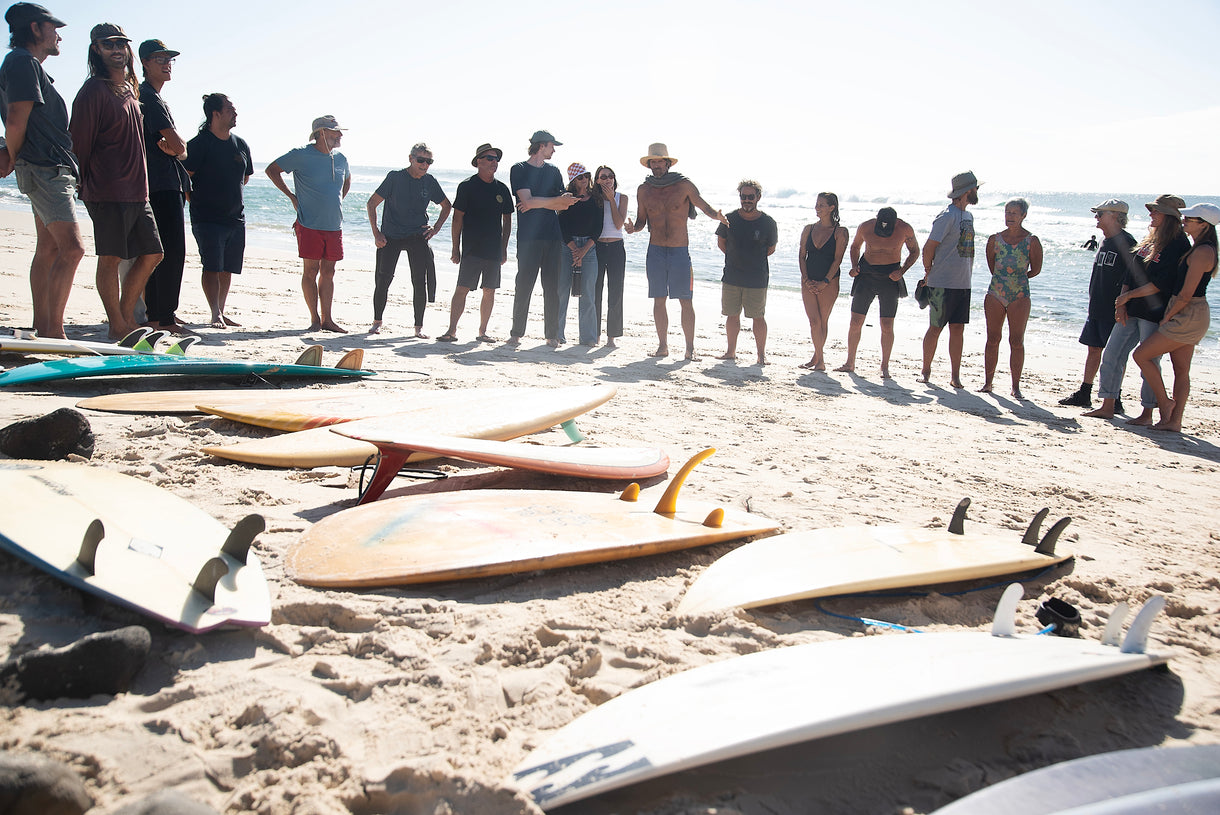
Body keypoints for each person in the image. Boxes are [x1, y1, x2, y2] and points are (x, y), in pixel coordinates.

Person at [69, 23, 163, 340]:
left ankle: (125, 319)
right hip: (107, 190)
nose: (117, 49)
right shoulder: (93, 91)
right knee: (110, 259)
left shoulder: (129, 91)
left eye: (122, 44)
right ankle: (117, 325)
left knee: (153, 253)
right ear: (96, 49)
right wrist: (80, 187)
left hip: (138, 191)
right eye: (109, 44)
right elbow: (78, 144)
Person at [0, 2, 83, 339]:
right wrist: (11, 155)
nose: (58, 34)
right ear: (35, 28)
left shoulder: (25, 64)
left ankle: (43, 326)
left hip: (43, 166)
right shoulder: (21, 61)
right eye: (53, 27)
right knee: (73, 248)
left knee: (49, 249)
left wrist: (13, 155)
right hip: (45, 168)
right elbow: (17, 117)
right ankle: (54, 332)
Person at [1084, 194, 1190, 423]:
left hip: (1154, 313)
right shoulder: (1151, 238)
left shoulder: (1178, 243)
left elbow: (1162, 283)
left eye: (1156, 211)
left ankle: (1148, 412)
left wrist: (1128, 296)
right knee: (1112, 353)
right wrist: (1123, 300)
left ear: (1169, 216)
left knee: (1149, 362)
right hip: (1132, 309)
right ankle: (1107, 404)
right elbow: (1131, 271)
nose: (1151, 214)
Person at [627, 142, 728, 360]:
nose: (656, 165)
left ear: (668, 163)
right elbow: (641, 221)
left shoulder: (683, 185)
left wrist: (717, 216)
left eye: (660, 161)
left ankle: (690, 348)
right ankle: (663, 346)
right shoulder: (644, 190)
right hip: (655, 252)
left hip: (679, 252)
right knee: (658, 299)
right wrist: (632, 228)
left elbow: (704, 206)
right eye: (653, 162)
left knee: (685, 300)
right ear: (649, 165)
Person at [1131, 203, 1217, 432]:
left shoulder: (1202, 251)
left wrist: (1167, 316)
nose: (1184, 220)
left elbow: (1186, 293)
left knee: (1141, 355)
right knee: (1180, 370)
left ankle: (1166, 403)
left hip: (1187, 312)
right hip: (1190, 311)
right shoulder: (1198, 247)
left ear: (1204, 224)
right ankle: (1174, 421)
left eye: (1190, 218)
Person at [266, 115, 351, 332]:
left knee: (329, 272)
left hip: (334, 225)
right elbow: (272, 170)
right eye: (335, 131)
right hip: (309, 224)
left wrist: (337, 200)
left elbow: (347, 181)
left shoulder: (341, 158)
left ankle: (327, 320)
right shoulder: (300, 154)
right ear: (321, 133)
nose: (340, 135)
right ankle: (314, 319)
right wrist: (291, 197)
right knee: (311, 271)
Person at [182, 93, 251, 329]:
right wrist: (197, 202)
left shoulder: (240, 144)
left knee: (227, 267)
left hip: (235, 217)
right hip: (207, 217)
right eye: (230, 109)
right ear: (216, 113)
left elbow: (246, 177)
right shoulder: (199, 144)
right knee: (211, 265)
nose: (235, 113)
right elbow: (185, 179)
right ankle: (214, 313)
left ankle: (221, 310)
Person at [367, 142, 450, 337]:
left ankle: (418, 328)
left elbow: (447, 206)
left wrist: (436, 228)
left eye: (428, 161)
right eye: (420, 160)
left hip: (417, 236)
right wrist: (376, 233)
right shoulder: (395, 177)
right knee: (383, 279)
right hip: (391, 236)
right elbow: (372, 203)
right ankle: (377, 322)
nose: (424, 164)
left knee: (419, 281)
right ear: (411, 159)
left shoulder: (429, 181)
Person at [1060, 199, 1136, 410]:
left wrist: (1123, 305)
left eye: (1100, 213)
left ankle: (1115, 398)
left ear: (1114, 216)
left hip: (1114, 310)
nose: (1096, 217)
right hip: (1096, 306)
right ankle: (1085, 392)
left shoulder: (1128, 243)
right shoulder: (1105, 241)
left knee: (1115, 355)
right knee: (1094, 349)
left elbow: (1134, 277)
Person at [137, 38, 189, 335]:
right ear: (145, 63)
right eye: (160, 59)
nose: (167, 63)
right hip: (160, 185)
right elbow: (179, 145)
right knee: (170, 251)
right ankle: (162, 318)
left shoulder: (151, 96)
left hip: (159, 183)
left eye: (169, 58)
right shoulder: (149, 97)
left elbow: (178, 148)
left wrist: (178, 151)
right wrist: (179, 151)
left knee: (162, 250)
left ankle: (161, 314)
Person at [508, 129, 575, 347]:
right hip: (528, 237)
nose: (554, 150)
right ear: (542, 145)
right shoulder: (518, 169)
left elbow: (563, 203)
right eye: (552, 145)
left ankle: (551, 336)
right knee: (524, 284)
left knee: (552, 286)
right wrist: (550, 201)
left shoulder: (554, 171)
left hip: (552, 236)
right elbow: (525, 200)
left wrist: (536, 202)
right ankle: (516, 333)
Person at [440, 143, 512, 343]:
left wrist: (504, 248)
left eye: (496, 159)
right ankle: (451, 330)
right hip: (472, 248)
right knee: (462, 288)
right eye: (489, 158)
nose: (494, 162)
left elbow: (507, 220)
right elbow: (457, 218)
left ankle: (482, 332)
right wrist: (455, 248)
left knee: (489, 290)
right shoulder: (467, 186)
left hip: (493, 249)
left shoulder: (502, 189)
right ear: (478, 161)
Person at [836, 206, 919, 378]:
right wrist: (854, 267)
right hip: (866, 275)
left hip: (890, 278)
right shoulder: (865, 227)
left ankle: (884, 366)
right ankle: (850, 362)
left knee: (887, 325)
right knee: (855, 321)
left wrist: (902, 271)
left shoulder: (904, 229)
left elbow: (915, 251)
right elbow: (855, 247)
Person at [919, 171, 980, 387]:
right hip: (942, 283)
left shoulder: (968, 216)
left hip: (963, 282)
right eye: (975, 188)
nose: (977, 192)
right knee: (935, 327)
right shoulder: (947, 216)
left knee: (958, 329)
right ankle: (926, 371)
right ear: (967, 191)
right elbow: (929, 247)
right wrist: (928, 272)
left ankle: (955, 376)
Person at [980, 198, 1042, 397]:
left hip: (1020, 294)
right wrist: (1004, 279)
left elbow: (1036, 269)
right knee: (993, 338)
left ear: (1024, 215)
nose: (1010, 217)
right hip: (996, 292)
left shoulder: (1032, 241)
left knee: (1016, 340)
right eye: (1007, 212)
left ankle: (1015, 387)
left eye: (1014, 213)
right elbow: (992, 266)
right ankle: (988, 383)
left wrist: (1017, 279)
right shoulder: (994, 239)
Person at [715, 179, 777, 365]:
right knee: (731, 315)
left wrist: (751, 260)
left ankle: (761, 355)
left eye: (751, 197)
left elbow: (771, 248)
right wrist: (736, 258)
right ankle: (730, 352)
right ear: (740, 197)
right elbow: (721, 243)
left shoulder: (767, 222)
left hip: (757, 277)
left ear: (758, 197)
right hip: (732, 275)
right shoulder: (729, 219)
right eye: (744, 196)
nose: (747, 200)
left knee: (758, 316)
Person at [797, 192, 847, 371]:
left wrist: (825, 281)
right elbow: (802, 256)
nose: (817, 208)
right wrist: (805, 279)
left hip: (829, 281)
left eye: (822, 205)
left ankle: (819, 360)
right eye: (816, 204)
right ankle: (818, 358)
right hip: (808, 279)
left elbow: (837, 260)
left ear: (832, 208)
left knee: (822, 320)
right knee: (813, 321)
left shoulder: (840, 232)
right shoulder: (808, 229)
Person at [556, 162, 602, 346]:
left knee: (588, 294)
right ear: (574, 180)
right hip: (567, 247)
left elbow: (598, 228)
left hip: (589, 248)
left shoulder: (597, 199)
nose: (585, 180)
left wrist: (584, 250)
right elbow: (562, 226)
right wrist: (574, 248)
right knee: (562, 291)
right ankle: (557, 335)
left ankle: (588, 338)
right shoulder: (567, 199)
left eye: (587, 176)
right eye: (581, 177)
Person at [594, 165, 630, 348]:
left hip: (616, 247)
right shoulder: (595, 199)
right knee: (595, 292)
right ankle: (595, 335)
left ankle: (612, 337)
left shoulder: (621, 198)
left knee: (615, 291)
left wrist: (611, 201)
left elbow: (618, 224)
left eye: (610, 176)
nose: (607, 179)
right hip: (598, 247)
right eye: (603, 177)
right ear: (597, 180)